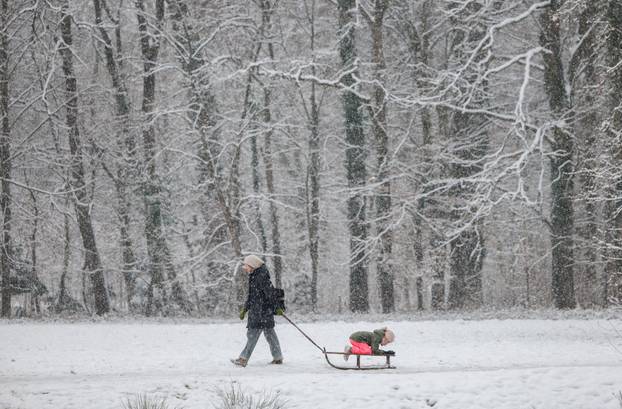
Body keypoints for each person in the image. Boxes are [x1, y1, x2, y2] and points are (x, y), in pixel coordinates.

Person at [231, 255, 284, 367]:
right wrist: (245, 309)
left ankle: (243, 359)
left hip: (260, 312)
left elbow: (270, 294)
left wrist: (277, 307)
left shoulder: (261, 277)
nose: (245, 268)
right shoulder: (255, 276)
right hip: (261, 311)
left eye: (246, 265)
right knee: (270, 335)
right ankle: (277, 357)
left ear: (253, 265)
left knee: (253, 335)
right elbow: (252, 296)